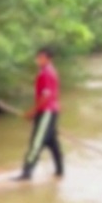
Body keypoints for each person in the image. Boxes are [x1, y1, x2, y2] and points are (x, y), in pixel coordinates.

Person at [15, 47, 64, 180]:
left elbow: (46, 95)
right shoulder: (48, 71)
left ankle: (27, 172)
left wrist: (32, 112)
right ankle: (60, 171)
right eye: (38, 57)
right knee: (51, 142)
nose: (38, 59)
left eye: (41, 57)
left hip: (47, 111)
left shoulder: (46, 73)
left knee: (36, 142)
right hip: (51, 111)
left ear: (48, 59)